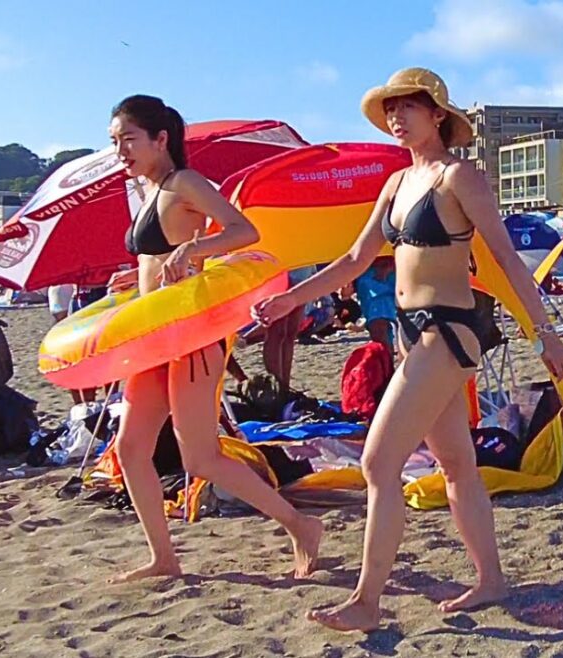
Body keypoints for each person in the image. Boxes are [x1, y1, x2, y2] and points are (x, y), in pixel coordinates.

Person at [252, 68, 563, 631]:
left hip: (447, 332)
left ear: (437, 114)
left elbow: (502, 258)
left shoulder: (459, 177)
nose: (396, 118)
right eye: (390, 110)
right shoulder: (397, 185)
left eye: (407, 108)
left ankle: (367, 601)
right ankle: (491, 578)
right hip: (409, 333)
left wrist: (546, 334)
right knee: (456, 465)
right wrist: (286, 300)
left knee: (378, 462)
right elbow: (354, 261)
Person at [104, 95, 321, 583]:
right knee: (131, 448)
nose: (120, 150)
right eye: (115, 141)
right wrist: (132, 275)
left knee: (200, 454)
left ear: (161, 139)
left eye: (129, 140)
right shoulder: (149, 191)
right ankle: (164, 557)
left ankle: (300, 524)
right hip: (154, 333)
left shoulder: (184, 183)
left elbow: (244, 231)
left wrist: (195, 247)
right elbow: (157, 257)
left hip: (191, 335)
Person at [262, 266, 313, 391]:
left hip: (301, 265)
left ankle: (285, 386)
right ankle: (277, 387)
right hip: (279, 265)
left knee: (291, 332)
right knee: (277, 330)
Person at [353, 256, 397, 353]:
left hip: (388, 268)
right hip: (365, 271)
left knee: (380, 327)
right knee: (378, 330)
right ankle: (386, 364)